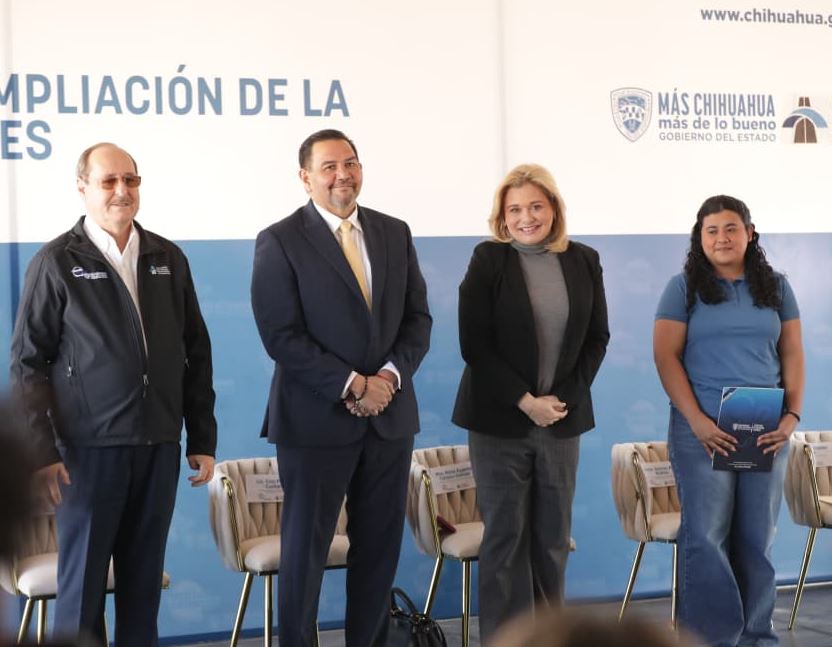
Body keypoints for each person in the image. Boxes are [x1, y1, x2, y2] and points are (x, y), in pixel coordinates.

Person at [9, 143, 217, 647]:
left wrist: (201, 438)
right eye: (109, 181)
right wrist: (42, 453)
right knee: (81, 595)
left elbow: (196, 350)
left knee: (142, 591)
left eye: (131, 179)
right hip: (87, 453)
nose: (122, 190)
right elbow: (27, 364)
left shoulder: (167, 257)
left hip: (157, 446)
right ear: (82, 188)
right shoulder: (57, 262)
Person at [250, 129, 432, 646]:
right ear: (305, 177)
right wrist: (353, 385)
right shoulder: (280, 240)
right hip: (314, 422)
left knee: (378, 553)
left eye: (350, 163)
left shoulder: (394, 233)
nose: (342, 175)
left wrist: (387, 380)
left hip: (389, 419)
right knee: (304, 556)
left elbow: (417, 320)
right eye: (328, 166)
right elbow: (280, 334)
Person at [452, 163, 610, 641]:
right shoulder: (488, 259)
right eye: (515, 209)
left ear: (554, 209)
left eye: (536, 206)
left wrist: (560, 400)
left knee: (552, 540)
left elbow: (597, 338)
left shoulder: (584, 259)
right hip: (498, 423)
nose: (526, 218)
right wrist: (525, 401)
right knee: (505, 539)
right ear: (502, 216)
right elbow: (475, 344)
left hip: (561, 422)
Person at [653, 195, 804, 646]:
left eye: (731, 228)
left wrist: (792, 416)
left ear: (750, 234)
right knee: (706, 537)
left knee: (757, 537)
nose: (722, 238)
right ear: (699, 237)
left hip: (765, 424)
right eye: (712, 230)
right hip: (703, 427)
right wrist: (697, 420)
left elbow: (792, 353)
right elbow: (665, 356)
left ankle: (756, 636)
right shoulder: (683, 288)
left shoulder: (777, 287)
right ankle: (711, 639)